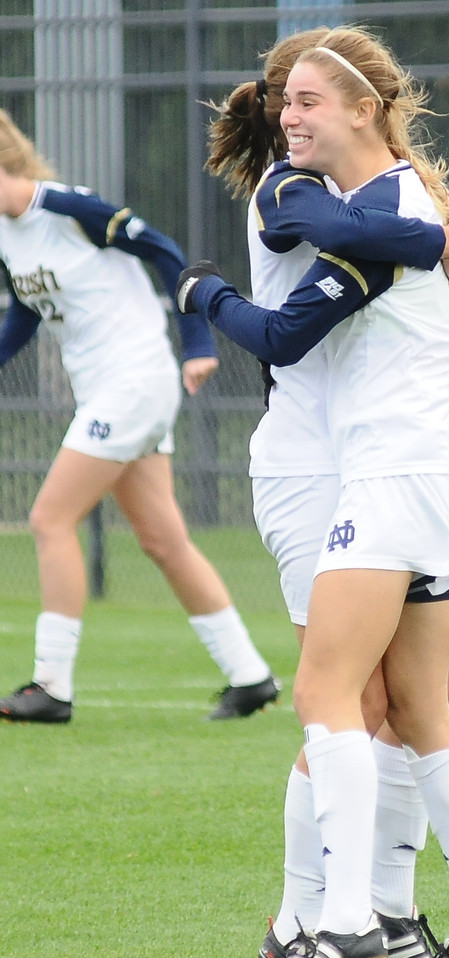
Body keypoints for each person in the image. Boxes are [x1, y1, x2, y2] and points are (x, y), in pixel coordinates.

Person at [179, 27, 449, 958]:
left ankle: (335, 923)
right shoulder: (316, 196)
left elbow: (293, 328)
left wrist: (199, 294)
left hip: (383, 470)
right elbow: (424, 226)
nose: (285, 113)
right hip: (365, 468)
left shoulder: (377, 203)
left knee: (333, 695)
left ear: (361, 109)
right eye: (282, 101)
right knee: (400, 703)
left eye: (305, 99)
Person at [0, 108, 278, 724]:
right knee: (164, 540)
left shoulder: (69, 208)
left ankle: (51, 687)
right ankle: (250, 675)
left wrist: (198, 344)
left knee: (49, 519)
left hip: (133, 383)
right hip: (111, 390)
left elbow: (163, 250)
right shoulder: (5, 233)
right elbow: (26, 310)